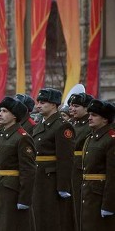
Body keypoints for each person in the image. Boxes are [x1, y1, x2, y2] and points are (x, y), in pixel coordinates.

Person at [32, 88, 75, 230]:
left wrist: (63, 186)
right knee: (38, 216)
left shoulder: (62, 126)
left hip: (51, 178)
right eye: (38, 102)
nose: (38, 105)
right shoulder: (40, 125)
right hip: (38, 177)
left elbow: (65, 158)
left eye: (43, 102)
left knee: (51, 216)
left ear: (54, 105)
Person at [0, 97, 36, 231]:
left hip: (12, 191)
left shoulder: (22, 137)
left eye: (4, 111)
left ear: (14, 116)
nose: (0, 114)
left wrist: (24, 199)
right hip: (0, 188)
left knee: (12, 225)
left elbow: (28, 171)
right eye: (0, 111)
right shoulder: (1, 135)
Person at [80, 99, 115, 230]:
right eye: (89, 115)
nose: (89, 118)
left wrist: (108, 205)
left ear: (105, 119)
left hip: (100, 196)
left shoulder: (111, 139)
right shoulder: (90, 138)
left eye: (94, 115)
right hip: (88, 193)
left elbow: (113, 176)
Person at [67, 92, 93, 227]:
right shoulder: (71, 124)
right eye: (71, 105)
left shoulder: (90, 126)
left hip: (80, 171)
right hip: (69, 170)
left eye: (76, 106)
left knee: (79, 208)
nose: (72, 108)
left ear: (87, 108)